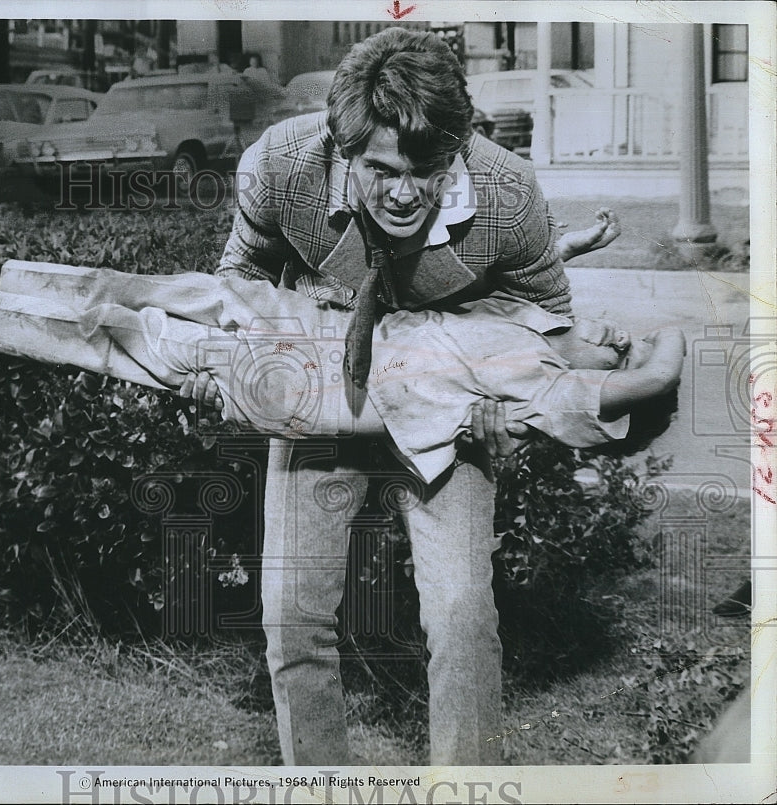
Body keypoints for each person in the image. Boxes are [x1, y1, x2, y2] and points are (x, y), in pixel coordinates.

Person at [199, 26, 575, 765]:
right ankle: (320, 781)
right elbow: (237, 284)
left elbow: (553, 334)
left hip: (448, 405)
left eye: (426, 169)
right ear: (343, 150)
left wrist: (513, 409)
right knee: (291, 615)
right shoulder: (278, 164)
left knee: (463, 614)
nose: (405, 192)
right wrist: (243, 367)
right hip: (324, 391)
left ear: (456, 149)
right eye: (381, 169)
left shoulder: (509, 193)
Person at [0, 238, 685, 488]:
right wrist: (569, 248)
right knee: (146, 288)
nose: (614, 333)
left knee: (131, 336)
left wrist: (646, 357)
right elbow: (492, 280)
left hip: (320, 382)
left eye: (620, 343)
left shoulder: (561, 398)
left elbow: (657, 372)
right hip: (316, 324)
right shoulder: (528, 333)